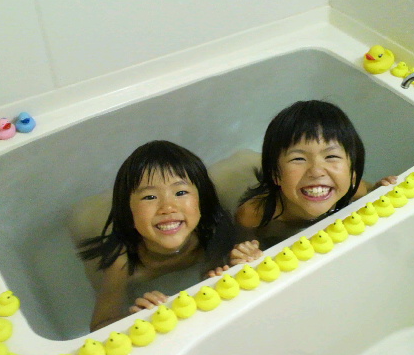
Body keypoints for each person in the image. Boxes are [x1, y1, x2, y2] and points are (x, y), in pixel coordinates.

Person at [80, 140, 235, 331]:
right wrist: (136, 318)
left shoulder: (212, 232)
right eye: (150, 197)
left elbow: (215, 270)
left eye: (180, 192)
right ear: (128, 213)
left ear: (202, 201)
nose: (167, 207)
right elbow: (99, 327)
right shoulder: (122, 262)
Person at [234, 100, 396, 260]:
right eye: (298, 159)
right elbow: (241, 251)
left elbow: (374, 196)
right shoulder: (254, 214)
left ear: (353, 172)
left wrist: (378, 191)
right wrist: (245, 253)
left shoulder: (355, 190)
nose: (316, 172)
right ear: (275, 175)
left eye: (331, 156)